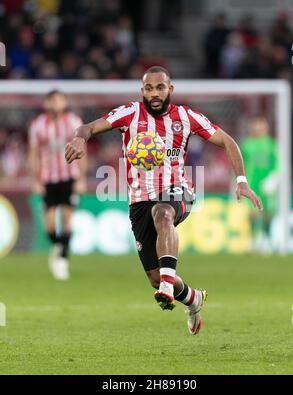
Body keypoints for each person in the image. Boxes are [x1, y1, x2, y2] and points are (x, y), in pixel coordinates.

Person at [65, 66, 262, 335]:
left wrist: (242, 182)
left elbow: (228, 142)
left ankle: (168, 284)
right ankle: (192, 299)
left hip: (178, 190)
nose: (154, 93)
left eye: (160, 87)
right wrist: (79, 139)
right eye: (148, 88)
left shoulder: (186, 116)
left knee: (162, 213)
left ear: (170, 89)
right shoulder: (130, 114)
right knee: (154, 278)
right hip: (138, 200)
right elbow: (88, 127)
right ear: (142, 91)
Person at [29, 90, 87, 280]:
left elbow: (82, 151)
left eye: (59, 100)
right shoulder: (38, 125)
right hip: (48, 178)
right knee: (49, 224)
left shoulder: (73, 122)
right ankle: (58, 245)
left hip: (69, 176)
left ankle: (62, 260)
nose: (56, 103)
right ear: (47, 104)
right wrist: (35, 180)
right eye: (52, 100)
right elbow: (34, 154)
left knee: (67, 219)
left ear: (64, 102)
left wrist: (81, 178)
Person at [241, 116, 278, 251]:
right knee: (252, 213)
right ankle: (254, 239)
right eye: (255, 126)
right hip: (252, 185)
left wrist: (273, 178)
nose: (258, 128)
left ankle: (267, 238)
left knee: (268, 213)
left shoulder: (271, 144)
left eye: (261, 125)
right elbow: (241, 164)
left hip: (267, 185)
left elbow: (278, 164)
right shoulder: (247, 144)